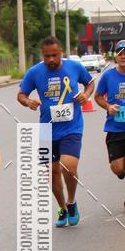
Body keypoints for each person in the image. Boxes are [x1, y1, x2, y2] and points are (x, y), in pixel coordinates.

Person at [17, 36, 94, 227]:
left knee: (69, 167)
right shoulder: (35, 72)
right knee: (52, 172)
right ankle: (61, 208)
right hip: (46, 128)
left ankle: (71, 201)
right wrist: (28, 102)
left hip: (72, 127)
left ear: (61, 53)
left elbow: (90, 82)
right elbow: (21, 94)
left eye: (54, 55)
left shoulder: (74, 67)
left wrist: (85, 94)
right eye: (47, 56)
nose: (51, 59)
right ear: (42, 55)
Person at [95, 38, 125, 207]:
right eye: (120, 53)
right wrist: (108, 106)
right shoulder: (108, 75)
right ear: (116, 57)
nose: (123, 56)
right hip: (114, 128)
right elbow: (98, 96)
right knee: (118, 168)